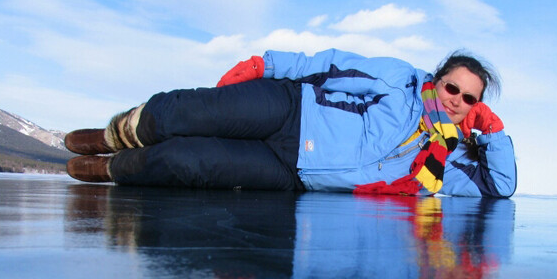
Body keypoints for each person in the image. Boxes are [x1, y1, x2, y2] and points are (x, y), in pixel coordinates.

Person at [64, 49, 517, 197]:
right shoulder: (403, 83)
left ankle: (112, 168)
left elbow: (501, 186)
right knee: (188, 112)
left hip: (293, 172)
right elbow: (335, 65)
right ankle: (113, 135)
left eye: (470, 99)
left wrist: (494, 132)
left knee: (188, 163)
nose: (456, 100)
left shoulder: (448, 165)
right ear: (438, 81)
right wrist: (266, 64)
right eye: (452, 88)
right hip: (292, 108)